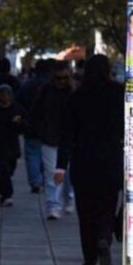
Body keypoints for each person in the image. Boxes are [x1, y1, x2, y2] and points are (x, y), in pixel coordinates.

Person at [55, 54, 124, 265]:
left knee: (85, 211)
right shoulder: (118, 94)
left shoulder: (77, 97)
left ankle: (89, 256)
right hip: (111, 160)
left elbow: (67, 134)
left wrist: (60, 166)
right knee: (107, 204)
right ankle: (104, 236)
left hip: (83, 161)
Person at [30, 60, 75, 220]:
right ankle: (53, 205)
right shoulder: (45, 91)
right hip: (50, 138)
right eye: (58, 78)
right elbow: (36, 112)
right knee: (52, 174)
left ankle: (68, 198)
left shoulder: (74, 92)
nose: (61, 81)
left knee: (69, 173)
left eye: (64, 78)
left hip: (70, 139)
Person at [0, 84, 25, 206]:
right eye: (2, 94)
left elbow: (25, 124)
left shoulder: (17, 109)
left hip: (12, 143)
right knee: (4, 169)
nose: (5, 97)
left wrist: (19, 123)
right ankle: (7, 195)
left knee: (10, 169)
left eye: (7, 94)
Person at [16, 58, 51, 193]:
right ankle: (44, 179)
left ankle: (35, 181)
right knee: (47, 154)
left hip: (31, 125)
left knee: (32, 154)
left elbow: (18, 103)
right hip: (49, 126)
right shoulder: (53, 85)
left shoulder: (27, 85)